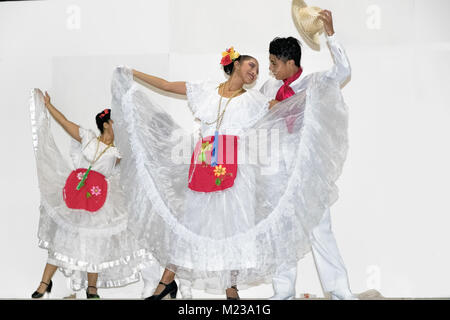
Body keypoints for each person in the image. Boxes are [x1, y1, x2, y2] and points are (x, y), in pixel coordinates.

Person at [111, 39, 349, 299]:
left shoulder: (255, 100)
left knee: (234, 228)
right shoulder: (206, 91)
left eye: (259, 69)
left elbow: (286, 108)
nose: (256, 72)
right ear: (235, 64)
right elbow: (168, 85)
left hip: (236, 171)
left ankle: (231, 287)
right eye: (252, 65)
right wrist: (133, 73)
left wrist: (316, 99)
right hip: (204, 164)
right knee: (191, 223)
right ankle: (167, 281)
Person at [260, 10, 357, 300]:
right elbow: (256, 117)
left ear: (291, 62)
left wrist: (331, 34)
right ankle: (283, 289)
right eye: (269, 63)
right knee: (280, 227)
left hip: (307, 166)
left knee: (320, 227)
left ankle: (339, 289)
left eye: (275, 63)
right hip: (277, 168)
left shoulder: (314, 84)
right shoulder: (269, 88)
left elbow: (343, 71)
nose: (271, 69)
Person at [29, 89, 149, 299]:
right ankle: (44, 283)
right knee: (63, 240)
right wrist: (48, 105)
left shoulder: (118, 151)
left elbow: (133, 163)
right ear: (107, 123)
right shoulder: (87, 137)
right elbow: (65, 122)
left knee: (95, 243)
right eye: (116, 121)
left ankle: (91, 289)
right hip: (77, 195)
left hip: (99, 200)